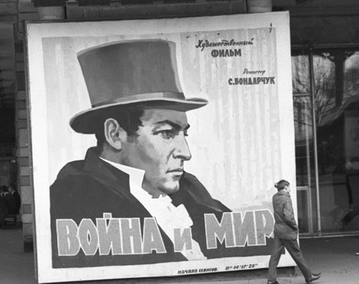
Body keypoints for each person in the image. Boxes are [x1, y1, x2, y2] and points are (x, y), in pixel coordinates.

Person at [49, 39, 231, 264]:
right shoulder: (79, 196)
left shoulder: (189, 188)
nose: (186, 153)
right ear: (115, 134)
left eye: (184, 134)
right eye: (166, 133)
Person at [266, 179, 320, 284]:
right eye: (289, 187)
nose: (290, 189)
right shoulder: (286, 199)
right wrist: (295, 226)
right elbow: (288, 216)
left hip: (278, 230)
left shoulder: (275, 197)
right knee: (297, 254)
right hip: (287, 231)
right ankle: (309, 276)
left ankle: (271, 280)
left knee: (274, 257)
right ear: (285, 188)